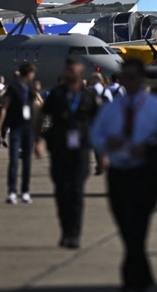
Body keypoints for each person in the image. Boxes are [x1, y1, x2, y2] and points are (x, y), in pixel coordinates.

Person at [90, 59, 157, 292]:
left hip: (144, 175)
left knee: (137, 228)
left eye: (132, 77)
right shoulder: (111, 108)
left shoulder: (156, 106)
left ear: (141, 79)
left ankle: (131, 278)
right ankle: (144, 277)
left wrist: (149, 148)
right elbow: (95, 133)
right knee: (125, 227)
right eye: (124, 77)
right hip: (119, 175)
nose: (128, 81)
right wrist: (106, 144)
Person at [35, 57, 102, 249]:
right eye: (68, 70)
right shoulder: (57, 95)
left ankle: (74, 233)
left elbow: (99, 123)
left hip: (80, 149)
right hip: (59, 148)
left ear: (81, 73)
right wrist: (38, 140)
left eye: (74, 70)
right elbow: (42, 117)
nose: (70, 73)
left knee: (76, 191)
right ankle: (65, 231)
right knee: (61, 191)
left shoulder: (89, 97)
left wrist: (103, 151)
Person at [0, 61, 38, 205]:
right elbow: (4, 108)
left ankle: (25, 191)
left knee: (27, 162)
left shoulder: (30, 87)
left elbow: (33, 105)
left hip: (28, 128)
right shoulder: (13, 87)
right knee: (14, 160)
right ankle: (12, 191)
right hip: (16, 128)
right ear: (29, 73)